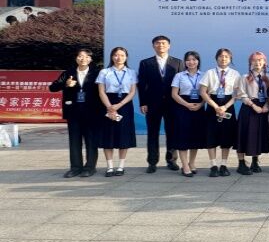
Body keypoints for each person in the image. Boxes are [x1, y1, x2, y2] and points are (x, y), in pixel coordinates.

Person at [49, 48, 101, 178]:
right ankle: (75, 168)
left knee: (91, 140)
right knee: (74, 140)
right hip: (73, 112)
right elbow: (52, 87)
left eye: (86, 56)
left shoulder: (97, 73)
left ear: (90, 59)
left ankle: (90, 167)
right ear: (76, 58)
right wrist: (66, 84)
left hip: (92, 112)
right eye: (80, 56)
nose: (83, 59)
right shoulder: (68, 73)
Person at [137, 35, 184, 173]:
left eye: (163, 43)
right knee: (152, 133)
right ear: (153, 46)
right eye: (157, 43)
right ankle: (152, 162)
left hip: (172, 103)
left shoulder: (178, 62)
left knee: (172, 132)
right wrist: (143, 102)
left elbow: (181, 84)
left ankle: (171, 160)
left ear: (169, 46)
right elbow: (142, 84)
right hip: (152, 103)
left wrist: (181, 103)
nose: (161, 45)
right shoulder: (145, 63)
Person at [96, 47, 138, 177]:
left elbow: (132, 92)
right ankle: (109, 166)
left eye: (122, 55)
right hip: (107, 103)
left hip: (125, 104)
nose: (119, 58)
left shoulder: (131, 72)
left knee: (123, 135)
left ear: (126, 57)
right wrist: (110, 107)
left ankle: (121, 166)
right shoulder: (104, 72)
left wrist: (119, 105)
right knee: (108, 135)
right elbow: (101, 91)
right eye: (116, 55)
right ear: (112, 57)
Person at [199, 48, 241, 177]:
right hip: (212, 105)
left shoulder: (235, 74)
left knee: (226, 136)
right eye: (221, 56)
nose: (223, 59)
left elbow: (237, 94)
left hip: (228, 106)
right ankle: (213, 166)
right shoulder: (209, 73)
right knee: (211, 135)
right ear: (216, 58)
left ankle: (223, 165)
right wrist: (216, 106)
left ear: (230, 59)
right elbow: (203, 92)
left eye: (226, 56)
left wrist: (225, 107)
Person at [170, 51, 206, 177]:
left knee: (195, 137)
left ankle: (192, 163)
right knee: (183, 137)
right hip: (182, 108)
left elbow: (206, 93)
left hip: (199, 107)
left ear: (198, 61)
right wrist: (187, 104)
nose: (191, 62)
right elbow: (174, 94)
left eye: (194, 59)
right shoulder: (179, 76)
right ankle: (185, 165)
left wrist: (201, 104)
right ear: (185, 62)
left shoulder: (204, 75)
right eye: (188, 60)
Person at [237, 51, 269, 174]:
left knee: (258, 135)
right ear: (250, 62)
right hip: (249, 108)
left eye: (260, 60)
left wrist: (266, 105)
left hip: (263, 109)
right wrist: (253, 105)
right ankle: (241, 163)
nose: (257, 62)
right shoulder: (245, 77)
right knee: (244, 135)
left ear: (264, 62)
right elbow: (241, 94)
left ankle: (255, 162)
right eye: (255, 60)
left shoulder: (267, 78)